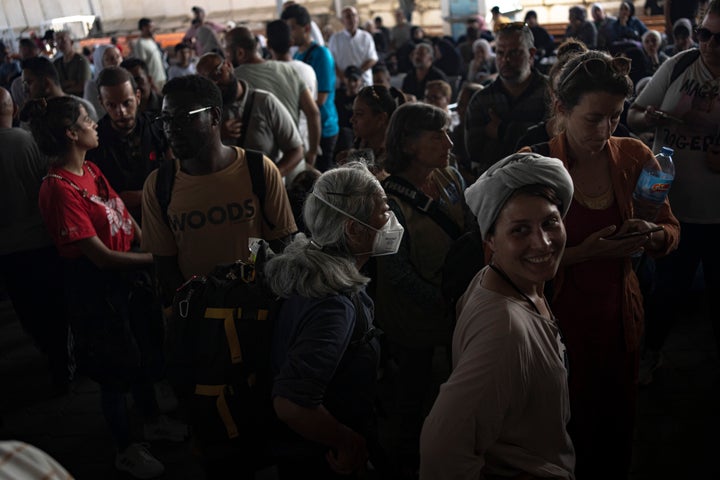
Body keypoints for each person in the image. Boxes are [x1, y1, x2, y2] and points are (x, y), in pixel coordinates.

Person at [520, 50, 680, 479]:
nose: (606, 130)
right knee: (559, 436)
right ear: (561, 108)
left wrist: (652, 236)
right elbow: (501, 262)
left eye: (615, 117)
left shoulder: (632, 156)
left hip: (619, 323)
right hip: (553, 326)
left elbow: (669, 226)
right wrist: (583, 254)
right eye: (593, 119)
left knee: (615, 431)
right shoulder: (534, 166)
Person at [24, 95, 187, 479]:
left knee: (145, 354)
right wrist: (156, 261)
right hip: (97, 289)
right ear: (71, 133)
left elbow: (124, 217)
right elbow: (98, 257)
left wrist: (149, 248)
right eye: (87, 121)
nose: (95, 124)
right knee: (114, 371)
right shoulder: (58, 188)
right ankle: (125, 448)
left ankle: (151, 421)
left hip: (130, 277)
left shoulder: (92, 170)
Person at [420, 152, 576, 479]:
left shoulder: (504, 279)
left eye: (550, 222)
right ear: (490, 239)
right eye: (520, 230)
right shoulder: (505, 330)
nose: (543, 242)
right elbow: (440, 453)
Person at [268, 163, 397, 478]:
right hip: (322, 459)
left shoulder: (310, 263)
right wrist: (347, 441)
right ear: (354, 229)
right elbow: (291, 403)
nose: (391, 220)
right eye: (384, 211)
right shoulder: (333, 306)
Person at [374, 102, 473, 478]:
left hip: (456, 317)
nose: (449, 141)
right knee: (413, 405)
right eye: (438, 136)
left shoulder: (449, 176)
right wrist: (448, 302)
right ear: (410, 144)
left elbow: (470, 229)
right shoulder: (387, 203)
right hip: (413, 326)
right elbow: (396, 274)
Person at [628, 0, 720, 385]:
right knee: (666, 292)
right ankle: (650, 355)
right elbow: (631, 116)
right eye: (705, 34)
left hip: (718, 215)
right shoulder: (679, 66)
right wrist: (647, 119)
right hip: (673, 209)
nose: (712, 44)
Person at [141, 75, 297, 301]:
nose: (171, 129)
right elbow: (166, 267)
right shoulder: (159, 185)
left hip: (259, 314)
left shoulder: (259, 170)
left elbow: (284, 249)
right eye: (165, 119)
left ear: (214, 116)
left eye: (183, 118)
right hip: (198, 323)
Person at [0, 87, 71, 393]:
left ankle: (48, 353)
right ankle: (62, 361)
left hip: (7, 252)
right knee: (55, 305)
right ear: (13, 109)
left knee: (27, 309)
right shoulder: (29, 141)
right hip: (43, 242)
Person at [195, 52, 304, 178]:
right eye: (207, 81)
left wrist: (271, 180)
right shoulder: (207, 114)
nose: (215, 83)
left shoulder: (265, 102)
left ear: (229, 65)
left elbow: (296, 150)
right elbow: (197, 156)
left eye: (217, 73)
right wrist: (217, 135)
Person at [225, 26, 321, 168]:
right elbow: (313, 113)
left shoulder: (236, 80)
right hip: (294, 161)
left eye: (227, 51)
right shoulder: (288, 70)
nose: (225, 57)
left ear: (239, 52)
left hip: (263, 167)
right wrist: (312, 152)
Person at [464, 22, 549, 175]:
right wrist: (528, 132)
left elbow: (552, 146)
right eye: (500, 53)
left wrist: (502, 132)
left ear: (531, 54)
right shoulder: (482, 100)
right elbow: (475, 153)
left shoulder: (552, 94)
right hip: (494, 187)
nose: (506, 60)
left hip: (543, 183)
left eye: (514, 53)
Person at [86, 66, 168, 222]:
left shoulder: (158, 127)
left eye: (127, 103)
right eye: (112, 105)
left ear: (138, 97)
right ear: (101, 102)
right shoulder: (95, 142)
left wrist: (139, 196)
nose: (121, 112)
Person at [282, 3, 340, 172]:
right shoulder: (297, 54)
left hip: (324, 127)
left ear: (306, 28)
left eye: (292, 28)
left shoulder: (321, 54)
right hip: (307, 126)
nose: (289, 33)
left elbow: (320, 99)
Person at [21, 56, 98, 122]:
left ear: (46, 83)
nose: (25, 90)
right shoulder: (32, 116)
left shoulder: (83, 109)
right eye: (24, 84)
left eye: (28, 82)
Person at [348, 85, 398, 175]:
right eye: (353, 113)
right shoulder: (358, 147)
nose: (351, 120)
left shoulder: (396, 158)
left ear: (381, 118)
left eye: (359, 114)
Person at [329, 7, 379, 88]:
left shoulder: (366, 37)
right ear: (342, 21)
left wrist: (357, 74)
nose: (352, 19)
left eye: (354, 15)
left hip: (364, 83)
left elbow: (373, 58)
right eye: (348, 16)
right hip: (343, 85)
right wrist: (345, 79)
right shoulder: (335, 39)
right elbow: (331, 62)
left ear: (358, 18)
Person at [84, 44, 123, 118]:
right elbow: (95, 114)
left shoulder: (126, 81)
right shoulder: (92, 86)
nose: (117, 61)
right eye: (111, 59)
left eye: (118, 56)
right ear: (100, 63)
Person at [131, 18, 167, 90]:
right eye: (151, 27)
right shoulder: (140, 44)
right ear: (143, 28)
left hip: (161, 78)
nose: (153, 29)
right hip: (153, 81)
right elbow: (141, 65)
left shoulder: (151, 41)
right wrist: (150, 82)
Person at [53, 30, 92, 97]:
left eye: (63, 40)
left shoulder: (81, 60)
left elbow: (84, 86)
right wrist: (71, 83)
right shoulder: (57, 63)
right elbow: (55, 85)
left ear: (71, 42)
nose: (60, 43)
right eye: (57, 41)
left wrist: (62, 90)